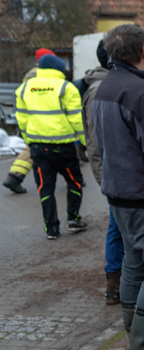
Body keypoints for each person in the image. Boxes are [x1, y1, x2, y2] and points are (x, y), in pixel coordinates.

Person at [93, 24, 144, 350]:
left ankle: (139, 335)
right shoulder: (141, 93)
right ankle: (142, 341)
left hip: (118, 193)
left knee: (133, 262)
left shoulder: (106, 86)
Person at [14, 54, 87, 240]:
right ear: (59, 69)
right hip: (64, 148)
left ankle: (51, 229)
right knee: (75, 182)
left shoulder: (24, 89)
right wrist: (85, 143)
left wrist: (28, 140)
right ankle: (73, 219)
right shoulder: (66, 87)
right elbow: (77, 119)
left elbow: (21, 120)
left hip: (38, 147)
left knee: (45, 188)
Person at [81, 40, 124, 305]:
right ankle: (116, 286)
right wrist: (104, 178)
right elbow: (96, 144)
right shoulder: (101, 90)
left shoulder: (105, 86)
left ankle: (119, 285)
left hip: (116, 176)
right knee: (118, 230)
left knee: (118, 228)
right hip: (116, 177)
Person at [3, 48, 57, 194]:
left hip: (33, 116)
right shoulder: (39, 73)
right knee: (34, 147)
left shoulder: (32, 73)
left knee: (33, 147)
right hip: (41, 116)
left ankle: (15, 176)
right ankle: (15, 177)